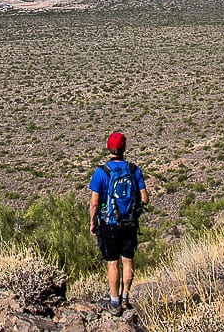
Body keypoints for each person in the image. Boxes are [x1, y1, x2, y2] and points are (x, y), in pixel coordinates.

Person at [89, 131, 149, 316]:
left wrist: (93, 222)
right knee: (128, 259)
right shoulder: (133, 170)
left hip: (110, 224)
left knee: (112, 263)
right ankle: (125, 298)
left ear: (109, 148)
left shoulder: (101, 172)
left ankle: (114, 303)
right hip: (130, 223)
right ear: (124, 148)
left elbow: (94, 202)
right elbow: (145, 199)